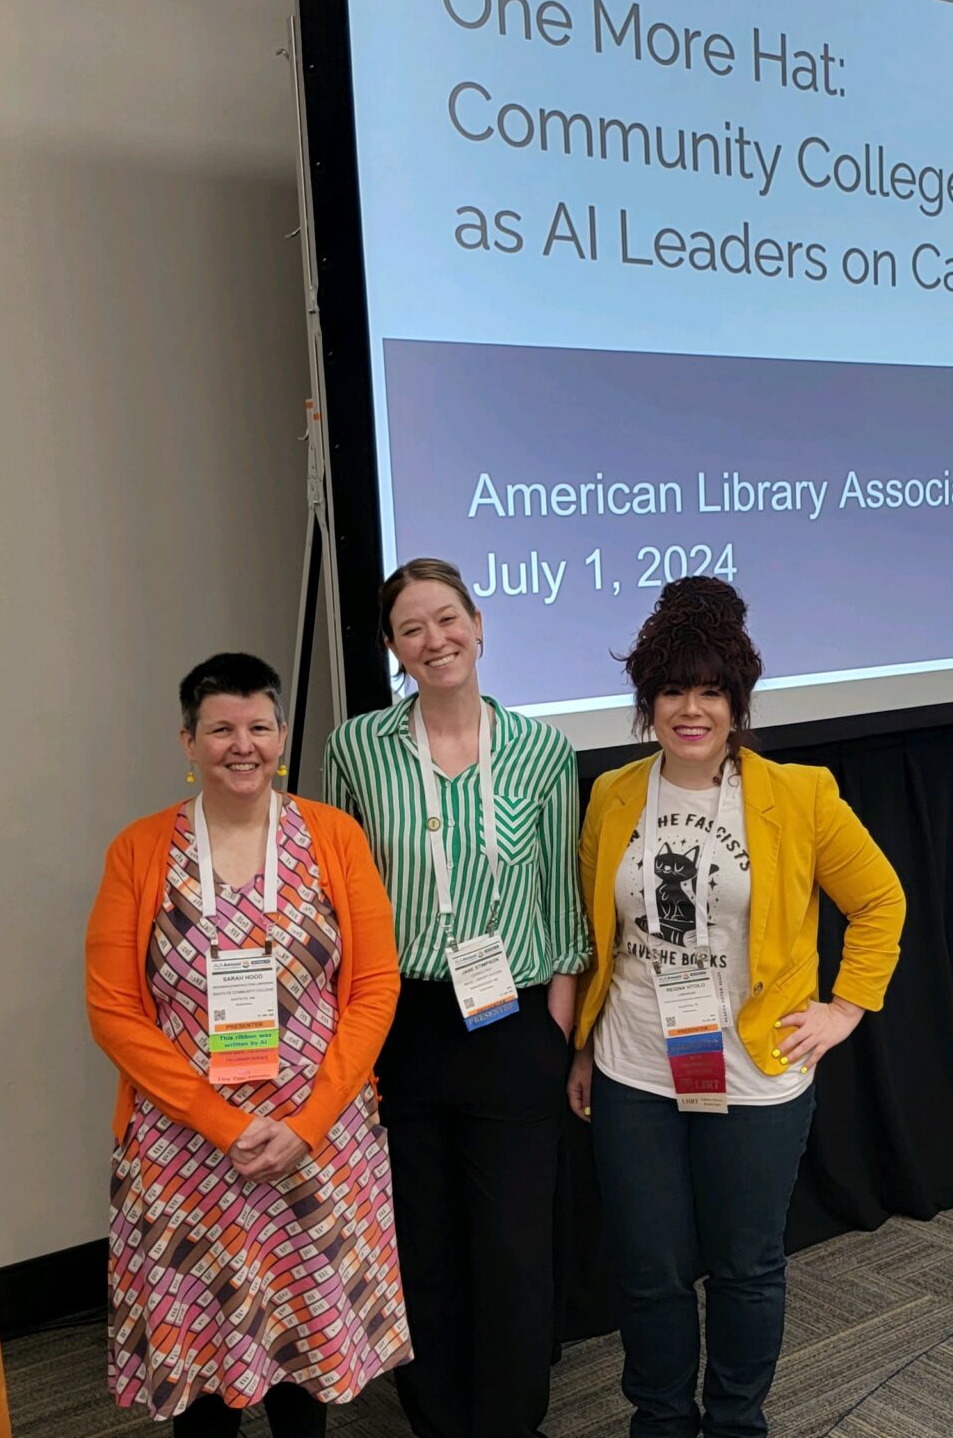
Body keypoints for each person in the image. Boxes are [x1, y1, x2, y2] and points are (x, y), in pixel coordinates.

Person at [567, 578, 906, 1438]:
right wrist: (581, 1047)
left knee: (747, 1266)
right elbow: (593, 932)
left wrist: (845, 1009)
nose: (691, 709)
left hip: (756, 1072)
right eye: (673, 690)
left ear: (736, 702)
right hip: (633, 1063)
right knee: (649, 1268)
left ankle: (735, 1422)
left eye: (711, 690)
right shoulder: (612, 796)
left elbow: (880, 902)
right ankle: (661, 1420)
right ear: (648, 701)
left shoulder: (799, 796)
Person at [85, 652, 408, 1437]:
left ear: (282, 736)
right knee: (200, 1369)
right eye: (221, 727)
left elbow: (374, 986)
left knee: (304, 1363)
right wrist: (224, 1123)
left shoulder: (332, 835)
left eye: (258, 726)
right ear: (188, 741)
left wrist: (307, 1122)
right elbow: (115, 1008)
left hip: (318, 1141)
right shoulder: (141, 849)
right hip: (186, 1153)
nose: (242, 744)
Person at [324, 559, 589, 1438]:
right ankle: (437, 1419)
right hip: (402, 1022)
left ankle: (511, 1421)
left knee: (514, 1249)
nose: (434, 639)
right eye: (411, 628)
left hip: (511, 1017)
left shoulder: (543, 750)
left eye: (447, 619)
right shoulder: (356, 747)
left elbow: (561, 895)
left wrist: (556, 1024)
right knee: (422, 1244)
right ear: (393, 649)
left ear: (479, 626)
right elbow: (336, 890)